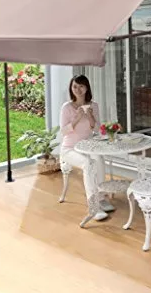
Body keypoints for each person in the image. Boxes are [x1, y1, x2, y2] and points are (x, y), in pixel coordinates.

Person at [59, 74, 115, 221]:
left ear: (87, 88)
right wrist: (77, 119)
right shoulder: (67, 107)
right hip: (70, 148)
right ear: (71, 88)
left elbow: (97, 129)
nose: (77, 89)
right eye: (74, 86)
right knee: (88, 164)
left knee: (99, 159)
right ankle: (93, 206)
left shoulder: (93, 105)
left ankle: (101, 197)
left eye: (81, 86)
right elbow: (63, 132)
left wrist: (90, 116)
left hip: (88, 147)